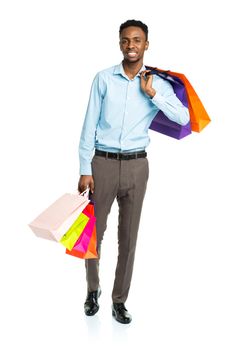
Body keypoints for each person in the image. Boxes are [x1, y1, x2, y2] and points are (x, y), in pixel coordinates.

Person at [77, 19, 189, 324]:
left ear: (146, 45)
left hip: (138, 165)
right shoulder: (103, 79)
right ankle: (92, 290)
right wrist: (85, 168)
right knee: (91, 235)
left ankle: (119, 300)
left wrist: (153, 94)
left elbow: (182, 117)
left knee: (128, 237)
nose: (131, 46)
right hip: (102, 164)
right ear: (120, 43)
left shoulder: (157, 84)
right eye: (126, 40)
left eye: (137, 40)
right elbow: (89, 125)